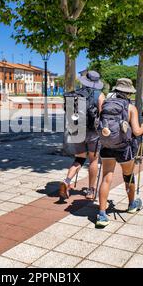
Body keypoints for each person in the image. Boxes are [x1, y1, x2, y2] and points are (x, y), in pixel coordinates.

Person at [96, 78, 143, 228]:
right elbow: (137, 131)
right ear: (128, 93)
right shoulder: (131, 107)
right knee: (128, 175)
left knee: (106, 178)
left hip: (107, 145)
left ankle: (101, 214)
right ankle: (132, 204)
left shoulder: (105, 105)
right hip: (124, 148)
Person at [60, 71, 105, 201]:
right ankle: (91, 190)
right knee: (93, 161)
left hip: (75, 130)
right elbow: (103, 114)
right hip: (92, 133)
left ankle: (67, 181)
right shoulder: (99, 95)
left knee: (79, 159)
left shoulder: (75, 93)